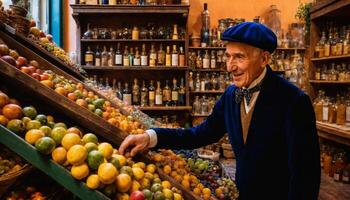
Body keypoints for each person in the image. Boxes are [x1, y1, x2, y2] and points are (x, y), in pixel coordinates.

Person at [119, 22, 320, 200]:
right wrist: (150, 137)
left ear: (264, 59)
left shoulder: (294, 101)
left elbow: (306, 176)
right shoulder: (231, 95)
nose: (230, 66)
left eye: (239, 57)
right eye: (228, 56)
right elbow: (199, 134)